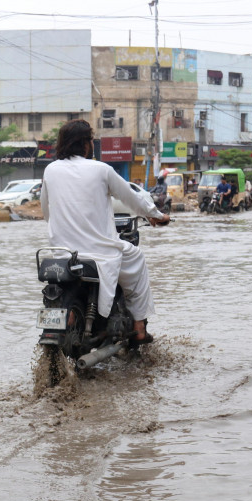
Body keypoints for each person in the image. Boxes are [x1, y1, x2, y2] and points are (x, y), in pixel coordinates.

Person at [40, 119, 169, 344]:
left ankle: (66, 317)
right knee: (136, 258)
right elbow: (131, 197)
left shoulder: (50, 170)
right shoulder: (101, 169)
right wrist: (156, 214)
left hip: (61, 252)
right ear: (86, 143)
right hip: (98, 251)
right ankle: (139, 327)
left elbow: (46, 209)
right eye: (91, 140)